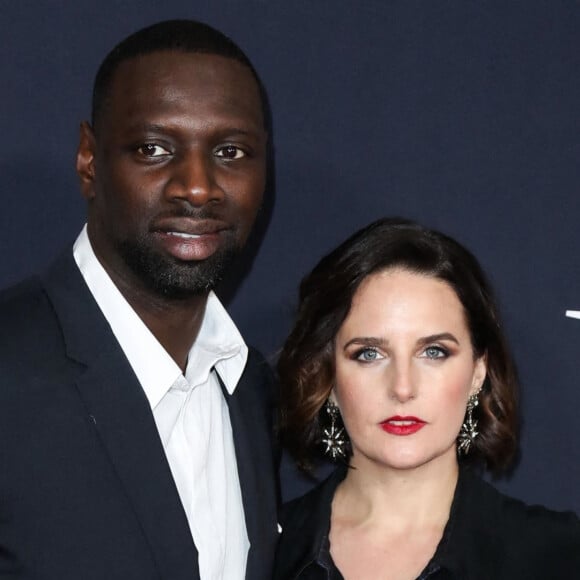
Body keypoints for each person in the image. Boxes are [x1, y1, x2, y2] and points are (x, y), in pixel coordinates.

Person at [0, 20, 278, 580]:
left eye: (231, 150)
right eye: (153, 148)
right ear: (89, 161)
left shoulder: (252, 392)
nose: (197, 187)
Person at [274, 218, 580, 579]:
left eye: (434, 351)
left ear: (477, 372)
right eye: (369, 354)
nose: (403, 388)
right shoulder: (261, 551)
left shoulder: (559, 556)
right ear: (326, 376)